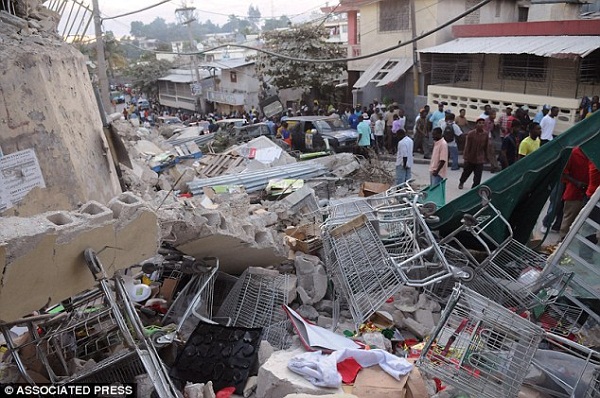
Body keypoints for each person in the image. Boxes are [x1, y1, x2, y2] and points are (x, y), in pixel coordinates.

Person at [558, 147, 590, 239]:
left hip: (589, 194)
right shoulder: (574, 153)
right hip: (575, 193)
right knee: (568, 221)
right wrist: (577, 183)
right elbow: (563, 173)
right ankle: (560, 243)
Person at [458, 118, 489, 190]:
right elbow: (467, 146)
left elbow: (486, 146)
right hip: (470, 157)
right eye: (479, 123)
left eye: (482, 123)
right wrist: (465, 157)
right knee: (466, 172)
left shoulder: (485, 134)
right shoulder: (471, 134)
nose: (481, 124)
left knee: (478, 176)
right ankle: (461, 182)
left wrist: (487, 157)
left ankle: (474, 188)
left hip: (480, 159)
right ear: (476, 124)